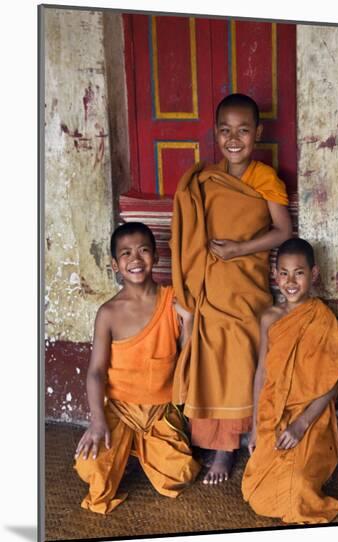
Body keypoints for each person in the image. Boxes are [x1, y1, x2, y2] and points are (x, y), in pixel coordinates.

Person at [170, 93, 292, 485]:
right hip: (211, 285)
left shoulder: (265, 178)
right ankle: (210, 440)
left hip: (245, 286)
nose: (234, 139)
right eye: (226, 131)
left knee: (239, 359)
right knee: (210, 359)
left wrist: (239, 248)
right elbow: (192, 230)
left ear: (258, 132)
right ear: (216, 133)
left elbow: (282, 231)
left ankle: (226, 448)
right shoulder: (207, 179)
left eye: (243, 130)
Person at [74, 222, 200, 514]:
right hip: (119, 409)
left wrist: (190, 322)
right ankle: (126, 449)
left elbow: (187, 357)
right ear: (115, 264)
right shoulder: (108, 313)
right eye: (126, 253)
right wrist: (97, 421)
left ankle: (136, 452)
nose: (135, 259)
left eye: (143, 251)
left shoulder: (172, 300)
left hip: (159, 409)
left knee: (179, 474)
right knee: (89, 469)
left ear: (156, 257)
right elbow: (95, 372)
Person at [242, 237, 338, 524]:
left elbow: (333, 382)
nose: (290, 281)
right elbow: (261, 373)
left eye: (299, 273)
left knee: (299, 489)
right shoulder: (269, 318)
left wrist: (302, 424)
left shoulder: (324, 320)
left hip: (311, 417)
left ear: (313, 275)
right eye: (284, 273)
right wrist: (254, 427)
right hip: (273, 411)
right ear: (275, 276)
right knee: (255, 493)